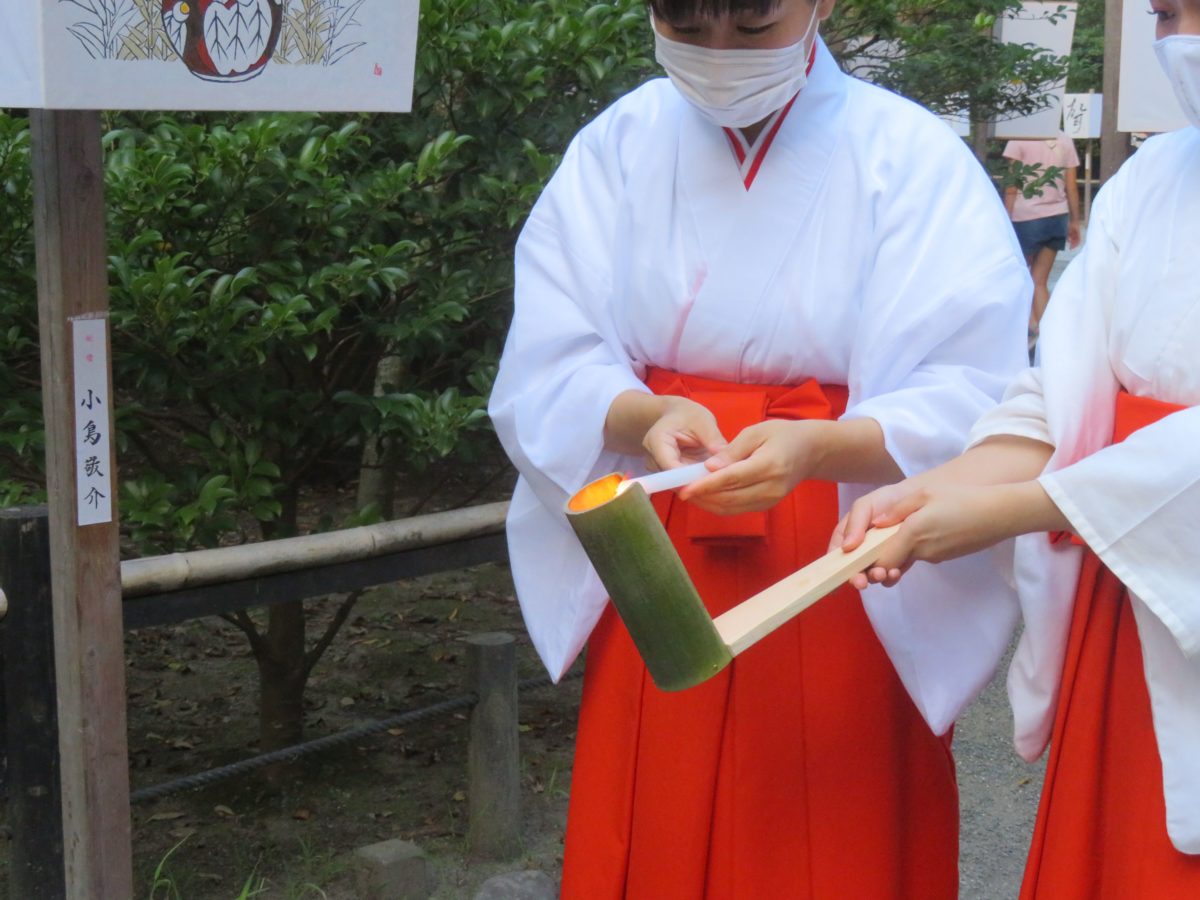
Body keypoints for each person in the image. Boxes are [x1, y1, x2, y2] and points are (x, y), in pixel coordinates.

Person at [488, 1, 1031, 896]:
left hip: (842, 544)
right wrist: (640, 414)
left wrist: (824, 444)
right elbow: (550, 348)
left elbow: (978, 383)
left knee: (829, 812)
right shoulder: (616, 145)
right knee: (655, 795)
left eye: (751, 27)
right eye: (687, 26)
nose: (717, 55)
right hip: (661, 530)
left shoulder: (909, 154)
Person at [833, 1, 1200, 894]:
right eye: (1165, 13)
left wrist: (1012, 510)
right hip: (1140, 579)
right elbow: (1064, 388)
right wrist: (947, 485)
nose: (1180, 39)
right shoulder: (1156, 175)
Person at [1002, 131, 1082, 345]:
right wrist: (1075, 221)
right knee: (1039, 281)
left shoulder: (1020, 137)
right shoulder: (1064, 140)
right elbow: (1071, 187)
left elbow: (1013, 185)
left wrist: (1005, 220)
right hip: (1057, 217)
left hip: (1026, 217)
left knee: (1020, 277)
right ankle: (1047, 335)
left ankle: (1023, 329)